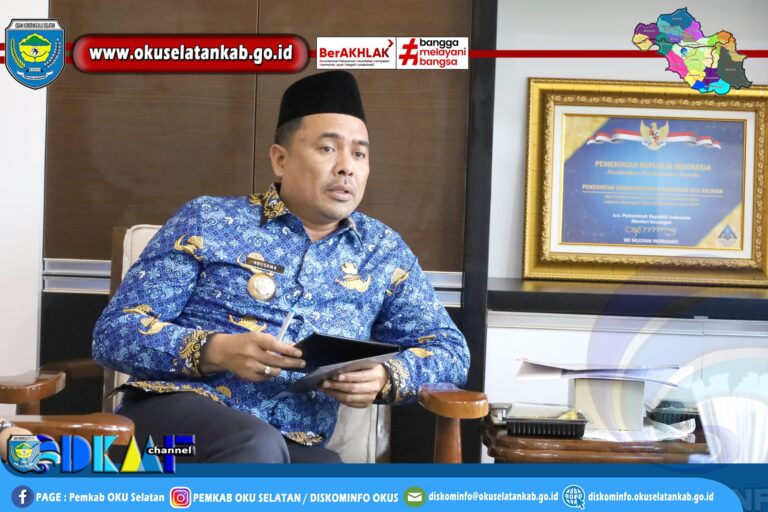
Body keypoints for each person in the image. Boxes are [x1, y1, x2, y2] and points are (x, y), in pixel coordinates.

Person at [92, 71, 469, 463]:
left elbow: (451, 352)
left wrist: (388, 377)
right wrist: (216, 350)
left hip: (293, 440)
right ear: (280, 159)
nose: (346, 167)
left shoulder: (382, 252)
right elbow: (114, 333)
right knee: (254, 445)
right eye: (327, 149)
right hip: (168, 433)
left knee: (331, 477)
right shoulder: (208, 220)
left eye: (359, 154)